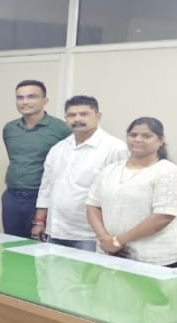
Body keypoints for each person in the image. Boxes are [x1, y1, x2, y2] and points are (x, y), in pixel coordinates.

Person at [85, 117, 177, 267]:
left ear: (161, 141)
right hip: (110, 253)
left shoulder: (169, 172)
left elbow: (163, 216)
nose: (138, 139)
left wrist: (118, 241)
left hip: (155, 258)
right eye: (133, 135)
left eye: (146, 136)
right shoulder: (110, 170)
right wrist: (104, 239)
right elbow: (92, 205)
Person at [34, 96, 127, 250]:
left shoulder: (115, 149)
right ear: (65, 119)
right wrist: (39, 221)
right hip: (55, 230)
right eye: (71, 115)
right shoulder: (58, 148)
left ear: (98, 116)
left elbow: (122, 195)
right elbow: (46, 188)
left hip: (90, 235)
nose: (77, 119)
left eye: (84, 114)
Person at [2, 80, 70, 238]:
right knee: (11, 245)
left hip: (43, 199)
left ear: (45, 101)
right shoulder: (10, 128)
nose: (25, 102)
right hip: (12, 197)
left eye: (31, 97)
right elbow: (15, 158)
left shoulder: (61, 129)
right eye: (20, 97)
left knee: (40, 248)